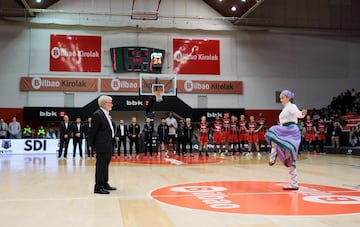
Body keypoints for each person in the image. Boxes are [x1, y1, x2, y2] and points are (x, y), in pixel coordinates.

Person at [266, 90, 307, 190]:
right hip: (285, 131)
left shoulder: (291, 106)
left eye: (282, 98)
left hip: (291, 131)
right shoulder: (284, 109)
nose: (281, 100)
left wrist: (302, 113)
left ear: (288, 98)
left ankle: (273, 155)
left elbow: (298, 114)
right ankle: (294, 183)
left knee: (273, 131)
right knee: (288, 158)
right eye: (280, 98)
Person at [88, 95, 116, 194]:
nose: (112, 104)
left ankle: (104, 183)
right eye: (110, 102)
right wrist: (90, 144)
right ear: (104, 104)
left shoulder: (106, 114)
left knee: (105, 165)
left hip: (108, 144)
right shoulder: (98, 115)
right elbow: (93, 131)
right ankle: (98, 186)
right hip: (101, 145)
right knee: (100, 166)